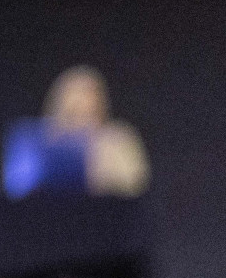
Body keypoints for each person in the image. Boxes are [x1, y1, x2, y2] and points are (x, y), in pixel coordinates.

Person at [41, 65, 148, 198]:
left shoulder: (119, 137)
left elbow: (135, 182)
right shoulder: (39, 140)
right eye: (73, 93)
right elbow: (19, 185)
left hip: (107, 212)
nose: (79, 100)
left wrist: (99, 154)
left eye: (86, 92)